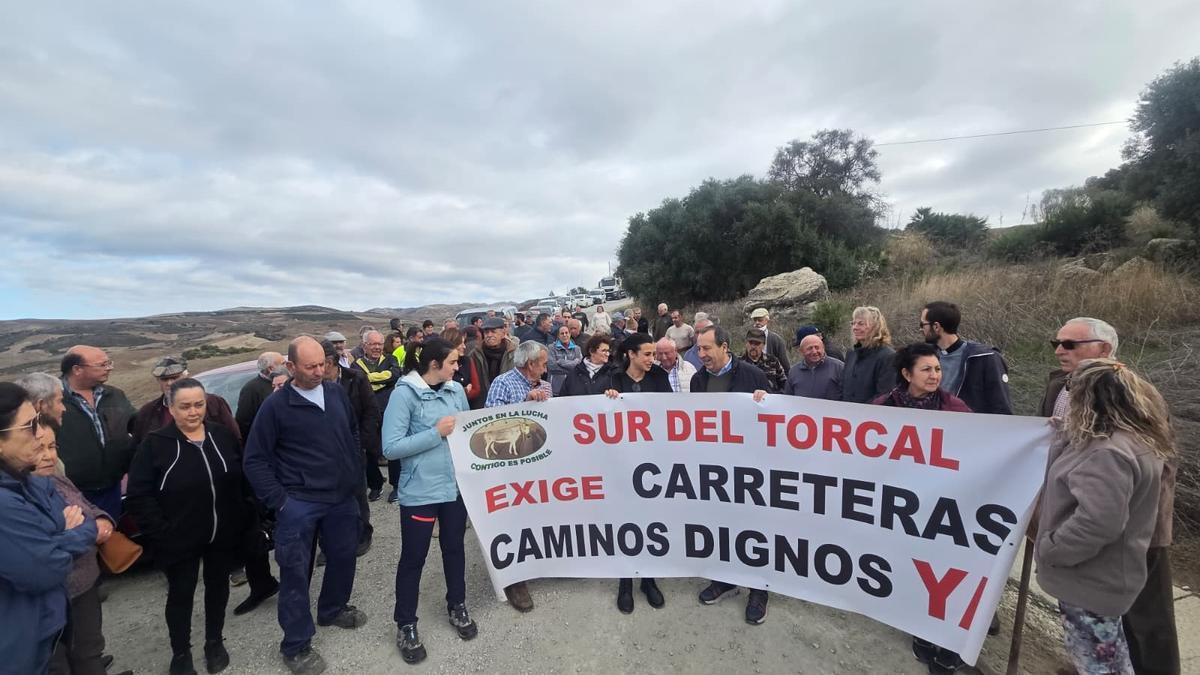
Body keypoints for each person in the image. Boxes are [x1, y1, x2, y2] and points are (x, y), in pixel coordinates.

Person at [1038, 318, 1179, 673]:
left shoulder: (1136, 395)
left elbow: (1157, 461)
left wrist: (1054, 545)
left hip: (1134, 529)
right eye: (1057, 343)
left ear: (1104, 349)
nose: (1059, 350)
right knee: (1099, 630)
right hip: (1075, 521)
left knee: (1146, 620)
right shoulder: (1059, 385)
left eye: (1070, 344)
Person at [244, 337, 367, 675]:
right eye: (310, 367)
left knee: (343, 557)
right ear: (290, 366)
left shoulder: (335, 393)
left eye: (322, 365)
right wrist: (282, 502)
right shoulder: (275, 407)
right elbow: (254, 460)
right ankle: (296, 644)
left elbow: (352, 431)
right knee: (296, 572)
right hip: (300, 503)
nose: (318, 372)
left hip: (341, 498)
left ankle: (332, 609)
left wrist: (354, 471)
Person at [126, 378, 256, 675]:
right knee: (181, 594)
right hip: (178, 538)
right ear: (171, 408)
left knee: (217, 587)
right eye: (185, 406)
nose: (193, 412)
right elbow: (139, 496)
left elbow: (239, 478)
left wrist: (244, 517)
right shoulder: (155, 445)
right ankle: (181, 653)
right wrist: (163, 533)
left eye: (199, 405)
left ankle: (214, 641)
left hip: (221, 533)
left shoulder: (221, 435)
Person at [869, 343, 970, 672]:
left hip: (943, 505)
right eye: (926, 369)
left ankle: (950, 642)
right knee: (912, 568)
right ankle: (922, 631)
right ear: (906, 373)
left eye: (937, 369)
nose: (934, 375)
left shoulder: (955, 409)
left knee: (946, 573)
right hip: (901, 506)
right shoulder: (883, 407)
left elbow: (981, 447)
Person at [382, 338, 479, 664]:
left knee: (454, 548)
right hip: (420, 493)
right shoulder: (403, 395)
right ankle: (406, 624)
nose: (457, 368)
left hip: (454, 489)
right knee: (414, 558)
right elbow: (390, 448)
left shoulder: (456, 390)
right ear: (434, 364)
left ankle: (457, 605)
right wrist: (435, 433)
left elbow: (467, 432)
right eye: (452, 362)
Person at [0, 383, 99, 675]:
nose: (39, 434)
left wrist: (53, 541)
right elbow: (45, 570)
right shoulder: (5, 503)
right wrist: (62, 537)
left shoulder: (31, 482)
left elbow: (86, 519)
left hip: (42, 632)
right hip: (17, 649)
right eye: (29, 426)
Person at [30, 413, 127, 675]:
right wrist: (80, 530)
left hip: (84, 583)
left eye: (52, 447)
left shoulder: (55, 478)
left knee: (89, 651)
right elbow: (38, 547)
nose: (48, 456)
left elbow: (85, 506)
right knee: (59, 663)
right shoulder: (16, 498)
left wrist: (101, 518)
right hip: (53, 594)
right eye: (38, 449)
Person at [690, 326, 771, 624]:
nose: (701, 355)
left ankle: (759, 589)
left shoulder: (753, 376)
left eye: (706, 348)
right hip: (715, 469)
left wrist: (767, 401)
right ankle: (725, 580)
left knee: (754, 528)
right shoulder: (698, 380)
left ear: (724, 347)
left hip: (750, 469)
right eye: (698, 349)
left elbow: (775, 420)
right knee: (721, 526)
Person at [601, 333, 670, 613]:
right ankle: (625, 582)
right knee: (624, 522)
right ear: (631, 354)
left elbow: (670, 414)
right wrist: (607, 401)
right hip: (620, 463)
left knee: (649, 521)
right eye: (648, 354)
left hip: (651, 463)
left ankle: (648, 579)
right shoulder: (612, 378)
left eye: (654, 354)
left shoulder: (659, 378)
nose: (653, 359)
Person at [484, 341, 552, 612]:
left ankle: (543, 561)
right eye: (543, 364)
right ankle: (515, 579)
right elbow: (490, 422)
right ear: (530, 364)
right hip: (510, 467)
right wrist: (524, 403)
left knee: (538, 513)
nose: (546, 368)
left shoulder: (545, 385)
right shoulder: (503, 384)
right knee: (512, 519)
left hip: (538, 462)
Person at [57, 346, 136, 520]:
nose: (109, 368)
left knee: (111, 530)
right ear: (77, 369)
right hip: (71, 494)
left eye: (109, 363)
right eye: (102, 365)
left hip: (112, 487)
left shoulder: (114, 395)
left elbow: (137, 426)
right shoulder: (53, 400)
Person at [321, 339, 381, 554]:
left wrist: (361, 444)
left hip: (354, 448)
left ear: (331, 362)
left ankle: (362, 534)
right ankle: (328, 543)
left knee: (357, 493)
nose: (317, 370)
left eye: (320, 364)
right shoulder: (312, 385)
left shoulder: (355, 378)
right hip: (325, 453)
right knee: (327, 497)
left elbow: (371, 411)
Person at [919, 302, 1012, 414]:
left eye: (922, 324)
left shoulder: (985, 358)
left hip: (970, 424)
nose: (921, 329)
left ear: (936, 327)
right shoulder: (924, 356)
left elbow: (1001, 407)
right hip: (932, 423)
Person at [132, 356, 240, 446]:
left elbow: (234, 437)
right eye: (164, 379)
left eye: (174, 378)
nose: (169, 383)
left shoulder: (213, 403)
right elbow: (139, 448)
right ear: (158, 381)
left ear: (186, 376)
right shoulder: (148, 411)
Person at [352, 330, 402, 503]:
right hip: (368, 414)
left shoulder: (390, 359)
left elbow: (395, 375)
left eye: (379, 344)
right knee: (369, 450)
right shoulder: (356, 364)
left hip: (389, 410)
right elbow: (358, 381)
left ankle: (397, 485)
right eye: (373, 344)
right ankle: (376, 484)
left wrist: (368, 379)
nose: (377, 347)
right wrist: (384, 379)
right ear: (364, 345)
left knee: (393, 448)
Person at [841, 306, 896, 404]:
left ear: (876, 327)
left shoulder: (888, 356)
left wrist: (861, 410)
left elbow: (884, 395)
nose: (854, 327)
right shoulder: (851, 354)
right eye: (853, 323)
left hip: (872, 412)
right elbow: (842, 387)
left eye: (861, 323)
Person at [466, 317, 516, 410]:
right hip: (482, 405)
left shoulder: (514, 353)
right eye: (486, 332)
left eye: (493, 332)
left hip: (509, 404)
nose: (489, 335)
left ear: (503, 334)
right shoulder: (474, 354)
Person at [235, 351, 285, 439]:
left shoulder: (290, 381)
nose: (286, 366)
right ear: (271, 368)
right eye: (283, 363)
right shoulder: (251, 389)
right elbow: (244, 422)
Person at [785, 334, 844, 400]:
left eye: (817, 347)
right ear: (801, 351)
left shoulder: (839, 368)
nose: (814, 352)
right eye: (809, 348)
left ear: (823, 348)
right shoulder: (794, 372)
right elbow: (788, 399)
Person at [741, 328, 787, 393]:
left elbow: (784, 385)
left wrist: (773, 394)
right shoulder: (738, 363)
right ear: (746, 343)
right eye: (751, 343)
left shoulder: (773, 362)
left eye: (757, 343)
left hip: (769, 398)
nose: (753, 346)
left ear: (763, 345)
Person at [547, 325, 583, 396]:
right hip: (556, 388)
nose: (564, 335)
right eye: (562, 333)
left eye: (566, 333)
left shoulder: (577, 349)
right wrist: (573, 365)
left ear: (570, 334)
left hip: (572, 387)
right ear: (558, 336)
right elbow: (552, 366)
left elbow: (580, 367)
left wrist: (560, 362)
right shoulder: (551, 348)